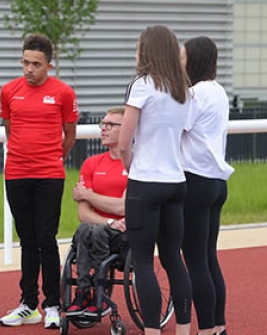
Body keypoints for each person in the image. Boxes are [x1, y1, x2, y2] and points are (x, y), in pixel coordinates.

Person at [0, 33, 79, 329]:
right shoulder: (8, 91)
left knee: (46, 239)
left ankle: (53, 305)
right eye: (25, 62)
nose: (29, 69)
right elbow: (10, 129)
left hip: (49, 175)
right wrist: (23, 157)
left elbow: (69, 135)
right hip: (17, 174)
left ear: (49, 65)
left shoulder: (63, 93)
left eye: (36, 64)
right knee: (27, 239)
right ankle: (28, 304)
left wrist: (53, 159)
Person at [118, 25, 193, 335]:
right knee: (174, 258)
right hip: (176, 181)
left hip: (145, 182)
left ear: (147, 51)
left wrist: (132, 167)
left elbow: (124, 142)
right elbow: (184, 132)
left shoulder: (142, 86)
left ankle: (151, 330)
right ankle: (184, 329)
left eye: (138, 48)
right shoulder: (183, 89)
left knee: (145, 261)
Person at [180, 36, 234, 335]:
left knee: (195, 260)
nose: (180, 62)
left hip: (195, 180)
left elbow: (177, 128)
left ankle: (206, 329)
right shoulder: (219, 91)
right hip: (216, 181)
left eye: (183, 57)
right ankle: (218, 327)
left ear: (194, 60)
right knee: (209, 257)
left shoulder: (194, 94)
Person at [66, 106, 128, 317]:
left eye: (111, 125)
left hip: (124, 236)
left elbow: (123, 207)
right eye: (103, 124)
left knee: (94, 230)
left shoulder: (136, 163)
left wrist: (88, 195)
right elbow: (83, 214)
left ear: (127, 128)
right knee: (86, 229)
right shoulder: (91, 163)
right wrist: (109, 221)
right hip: (100, 230)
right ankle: (84, 291)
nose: (104, 129)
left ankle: (98, 291)